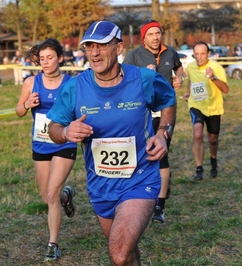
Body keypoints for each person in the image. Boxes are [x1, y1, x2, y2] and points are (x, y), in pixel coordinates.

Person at [46, 21, 176, 265]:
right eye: (89, 47)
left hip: (140, 178)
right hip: (101, 186)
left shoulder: (144, 79)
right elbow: (54, 128)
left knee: (117, 253)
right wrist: (65, 131)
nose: (95, 53)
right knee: (127, 255)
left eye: (102, 46)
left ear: (118, 47)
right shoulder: (75, 88)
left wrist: (163, 132)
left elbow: (168, 102)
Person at [15, 38, 77, 262]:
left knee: (51, 194)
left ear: (60, 58)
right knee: (47, 195)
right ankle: (66, 196)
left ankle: (53, 243)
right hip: (40, 144)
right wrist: (27, 104)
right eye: (42, 59)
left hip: (64, 142)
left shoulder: (71, 83)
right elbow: (18, 111)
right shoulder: (31, 83)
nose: (46, 62)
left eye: (50, 58)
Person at [124, 18, 184, 224]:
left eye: (158, 33)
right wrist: (143, 75)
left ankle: (159, 206)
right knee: (144, 155)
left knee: (161, 154)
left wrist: (180, 79)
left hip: (166, 111)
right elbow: (124, 81)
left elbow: (180, 67)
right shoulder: (133, 56)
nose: (156, 37)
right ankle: (140, 194)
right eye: (151, 34)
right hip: (142, 113)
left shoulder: (170, 53)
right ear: (143, 37)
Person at [184, 41, 229, 181]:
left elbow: (226, 90)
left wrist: (213, 77)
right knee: (197, 134)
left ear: (208, 54)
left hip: (213, 107)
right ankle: (199, 168)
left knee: (213, 139)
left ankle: (213, 160)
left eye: (202, 54)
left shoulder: (217, 67)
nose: (199, 57)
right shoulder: (190, 67)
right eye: (196, 54)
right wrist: (187, 92)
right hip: (196, 105)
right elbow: (190, 81)